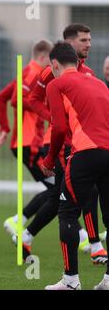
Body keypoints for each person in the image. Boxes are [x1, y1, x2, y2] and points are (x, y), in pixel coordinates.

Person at [24, 24, 107, 264]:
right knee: (82, 193)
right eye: (83, 40)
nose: (88, 44)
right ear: (69, 43)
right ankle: (95, 246)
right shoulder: (51, 73)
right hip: (63, 145)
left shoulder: (89, 74)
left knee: (59, 197)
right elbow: (33, 99)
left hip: (85, 145)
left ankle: (26, 234)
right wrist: (54, 118)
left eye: (90, 39)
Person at [43, 42, 109, 290]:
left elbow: (59, 128)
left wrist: (49, 160)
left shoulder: (56, 84)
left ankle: (71, 281)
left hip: (86, 153)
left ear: (55, 64)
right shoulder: (100, 83)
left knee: (68, 213)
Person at [0, 40, 55, 241]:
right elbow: (15, 100)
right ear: (44, 57)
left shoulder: (26, 73)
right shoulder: (33, 73)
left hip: (27, 143)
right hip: (30, 144)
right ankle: (18, 220)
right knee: (58, 189)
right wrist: (48, 112)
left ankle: (82, 237)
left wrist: (4, 129)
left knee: (58, 188)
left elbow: (0, 97)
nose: (53, 66)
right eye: (52, 61)